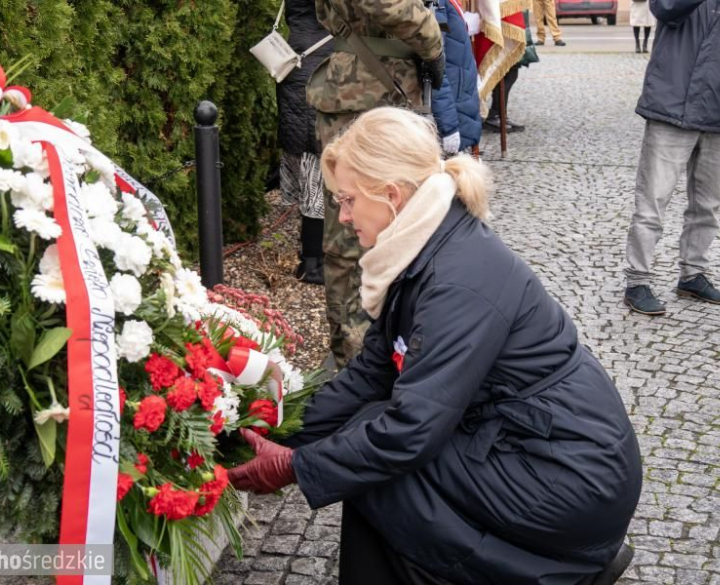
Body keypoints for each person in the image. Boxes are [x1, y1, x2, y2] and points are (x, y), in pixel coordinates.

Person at [229, 107, 643, 585]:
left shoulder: (457, 280)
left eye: (346, 200)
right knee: (364, 443)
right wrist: (273, 427)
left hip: (571, 477)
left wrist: (296, 466)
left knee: (379, 465)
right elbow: (373, 375)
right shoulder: (423, 245)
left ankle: (555, 569)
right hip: (523, 442)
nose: (341, 217)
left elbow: (411, 430)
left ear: (390, 195)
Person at [307, 0, 445, 371]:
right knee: (354, 233)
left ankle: (380, 352)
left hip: (378, 86)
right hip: (366, 91)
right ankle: (357, 363)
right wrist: (433, 39)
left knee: (395, 225)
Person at [623, 0, 720, 315]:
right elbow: (665, 7)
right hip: (670, 107)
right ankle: (638, 279)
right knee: (652, 204)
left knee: (707, 206)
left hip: (719, 109)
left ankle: (693, 274)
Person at [277, 0, 333, 285]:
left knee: (309, 160)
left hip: (296, 60)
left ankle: (309, 258)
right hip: (325, 67)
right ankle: (315, 263)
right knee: (318, 166)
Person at [431, 0, 482, 155]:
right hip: (452, 103)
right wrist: (448, 126)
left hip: (460, 97)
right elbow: (433, 65)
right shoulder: (437, 3)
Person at [483, 10, 539, 133]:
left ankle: (501, 114)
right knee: (503, 74)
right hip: (503, 23)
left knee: (511, 72)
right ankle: (495, 115)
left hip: (514, 22)